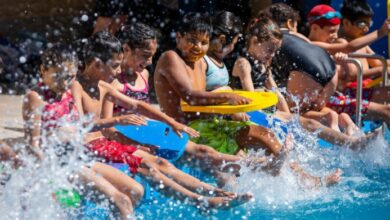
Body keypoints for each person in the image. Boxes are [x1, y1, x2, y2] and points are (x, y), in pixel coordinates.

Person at [154, 13, 341, 185]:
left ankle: (307, 180)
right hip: (188, 130)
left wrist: (231, 112)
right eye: (191, 41)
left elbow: (204, 102)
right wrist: (228, 97)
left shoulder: (199, 63)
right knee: (237, 161)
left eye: (203, 43)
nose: (197, 47)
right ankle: (266, 166)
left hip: (209, 123)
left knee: (266, 135)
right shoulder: (171, 58)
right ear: (178, 37)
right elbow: (190, 98)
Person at [71, 31, 252, 208]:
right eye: (115, 65)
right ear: (96, 64)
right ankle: (200, 201)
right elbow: (78, 127)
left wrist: (172, 123)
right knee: (149, 167)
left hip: (105, 144)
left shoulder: (103, 86)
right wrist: (118, 122)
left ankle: (211, 193)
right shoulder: (76, 86)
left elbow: (139, 106)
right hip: (90, 147)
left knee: (160, 163)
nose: (118, 70)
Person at [107, 23, 251, 181]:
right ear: (126, 49)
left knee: (208, 158)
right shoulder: (113, 80)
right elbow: (107, 125)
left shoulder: (144, 74)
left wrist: (169, 124)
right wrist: (134, 143)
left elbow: (145, 109)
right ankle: (250, 167)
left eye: (152, 56)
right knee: (198, 155)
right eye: (145, 55)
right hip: (125, 135)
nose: (149, 62)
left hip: (146, 131)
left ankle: (251, 167)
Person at [21, 44, 144, 219]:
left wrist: (113, 122)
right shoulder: (35, 97)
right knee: (122, 201)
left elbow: (82, 126)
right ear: (43, 70)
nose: (64, 83)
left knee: (135, 191)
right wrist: (50, 176)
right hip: (59, 165)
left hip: (79, 158)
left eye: (69, 77)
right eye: (58, 76)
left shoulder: (70, 91)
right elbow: (33, 145)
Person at [306, 4, 390, 127]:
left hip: (339, 96)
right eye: (332, 31)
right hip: (332, 99)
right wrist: (381, 32)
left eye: (336, 30)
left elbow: (381, 62)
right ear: (314, 28)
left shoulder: (331, 46)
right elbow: (349, 73)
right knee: (386, 112)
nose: (335, 35)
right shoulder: (312, 46)